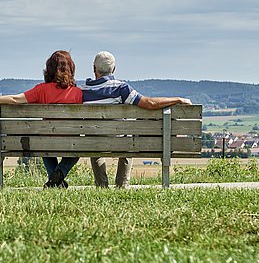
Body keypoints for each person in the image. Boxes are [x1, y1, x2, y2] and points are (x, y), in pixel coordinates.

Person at [0, 50, 82, 188]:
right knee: (75, 152)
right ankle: (59, 173)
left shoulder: (41, 90)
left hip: (46, 142)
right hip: (70, 142)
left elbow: (15, 99)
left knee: (45, 148)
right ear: (71, 68)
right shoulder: (77, 93)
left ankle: (55, 179)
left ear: (49, 69)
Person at [81, 51, 192, 188]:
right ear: (114, 69)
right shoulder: (121, 88)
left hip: (93, 142)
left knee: (95, 141)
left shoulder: (83, 91)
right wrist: (178, 99)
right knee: (128, 138)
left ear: (94, 68)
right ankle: (122, 185)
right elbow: (149, 103)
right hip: (120, 141)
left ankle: (101, 185)